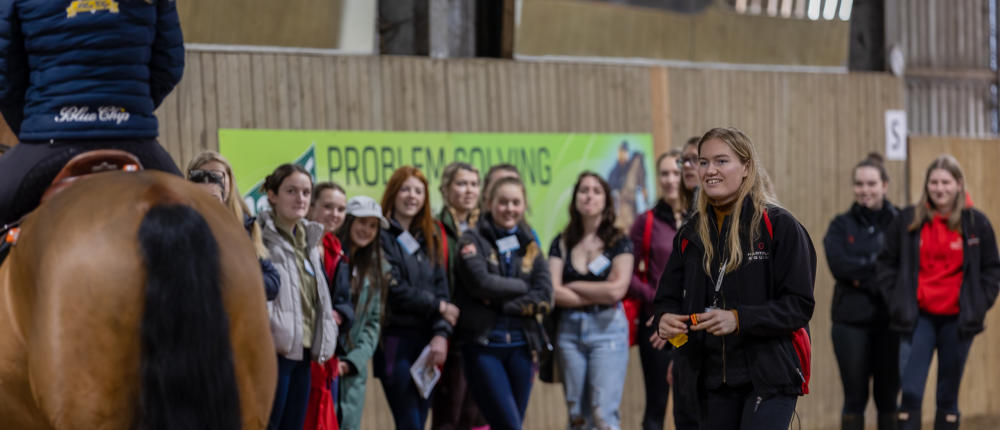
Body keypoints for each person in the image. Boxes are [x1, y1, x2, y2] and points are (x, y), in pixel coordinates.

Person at [654, 127, 816, 430]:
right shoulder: (689, 235)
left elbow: (798, 306)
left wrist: (739, 319)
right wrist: (663, 319)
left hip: (768, 379)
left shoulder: (779, 227)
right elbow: (666, 299)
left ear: (746, 167)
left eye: (721, 161)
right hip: (709, 382)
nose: (710, 170)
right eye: (703, 162)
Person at [0, 0, 185, 227]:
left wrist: (36, 124)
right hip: (133, 139)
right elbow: (168, 66)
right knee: (200, 217)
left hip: (49, 141)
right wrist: (128, 114)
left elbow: (6, 77)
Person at [877, 154, 1000, 430]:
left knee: (947, 396)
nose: (939, 188)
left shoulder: (975, 223)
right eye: (934, 182)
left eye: (945, 182)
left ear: (958, 184)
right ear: (927, 185)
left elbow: (992, 268)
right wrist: (896, 300)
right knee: (910, 393)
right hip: (916, 319)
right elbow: (886, 263)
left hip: (958, 321)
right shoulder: (908, 220)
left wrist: (978, 303)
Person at [454, 175, 553, 430]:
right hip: (484, 346)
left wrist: (500, 304)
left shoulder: (529, 243)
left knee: (510, 425)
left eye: (516, 202)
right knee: (510, 427)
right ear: (489, 203)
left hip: (523, 346)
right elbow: (481, 283)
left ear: (523, 205)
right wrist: (523, 287)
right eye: (503, 202)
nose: (509, 209)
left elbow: (545, 295)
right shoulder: (471, 240)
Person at [550, 172, 635, 430]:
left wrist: (573, 286)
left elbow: (615, 292)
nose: (589, 196)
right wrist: (598, 288)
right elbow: (553, 291)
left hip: (608, 329)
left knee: (603, 415)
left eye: (596, 191)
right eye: (583, 190)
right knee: (578, 415)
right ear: (575, 197)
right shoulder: (562, 242)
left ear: (606, 200)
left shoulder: (618, 241)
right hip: (569, 332)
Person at [258, 164, 339, 430]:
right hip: (273, 354)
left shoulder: (311, 239)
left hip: (304, 353)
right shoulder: (259, 236)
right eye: (291, 191)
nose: (300, 198)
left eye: (306, 192)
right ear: (272, 195)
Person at [823, 153, 899, 430]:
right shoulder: (840, 225)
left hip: (892, 322)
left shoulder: (900, 222)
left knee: (888, 400)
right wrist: (881, 272)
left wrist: (863, 273)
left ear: (884, 185)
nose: (864, 190)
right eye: (859, 184)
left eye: (871, 183)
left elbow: (903, 267)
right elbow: (840, 266)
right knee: (854, 399)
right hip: (850, 323)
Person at [376, 166, 455, 430]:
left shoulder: (430, 236)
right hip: (395, 341)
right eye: (405, 189)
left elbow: (443, 290)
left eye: (418, 191)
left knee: (419, 422)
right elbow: (393, 290)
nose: (412, 196)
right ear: (393, 193)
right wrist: (438, 306)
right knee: (409, 422)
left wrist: (441, 335)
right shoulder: (381, 235)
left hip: (428, 345)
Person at [628, 150, 684, 430]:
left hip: (695, 324)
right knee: (657, 404)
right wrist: (658, 301)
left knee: (695, 406)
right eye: (665, 173)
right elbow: (626, 275)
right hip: (656, 325)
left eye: (676, 172)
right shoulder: (645, 222)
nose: (671, 179)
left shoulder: (701, 218)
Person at [433, 162, 488, 430]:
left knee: (477, 417)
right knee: (449, 417)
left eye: (474, 184)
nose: (469, 190)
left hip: (484, 334)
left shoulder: (487, 228)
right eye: (461, 183)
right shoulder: (433, 229)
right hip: (451, 334)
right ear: (445, 189)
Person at [186, 151, 280, 301]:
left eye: (218, 175)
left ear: (230, 180)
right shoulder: (182, 225)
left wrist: (239, 278)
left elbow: (273, 282)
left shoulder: (247, 225)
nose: (211, 181)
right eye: (203, 177)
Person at [303, 181, 355, 430]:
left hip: (328, 355)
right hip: (303, 352)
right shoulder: (299, 244)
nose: (335, 214)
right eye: (328, 207)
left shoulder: (336, 249)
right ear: (311, 207)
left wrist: (340, 316)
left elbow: (345, 302)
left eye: (341, 209)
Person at [335, 196, 391, 430]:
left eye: (373, 225)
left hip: (352, 371)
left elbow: (373, 322)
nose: (367, 230)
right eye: (361, 222)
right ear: (348, 222)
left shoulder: (378, 266)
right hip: (324, 365)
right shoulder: (331, 256)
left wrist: (353, 361)